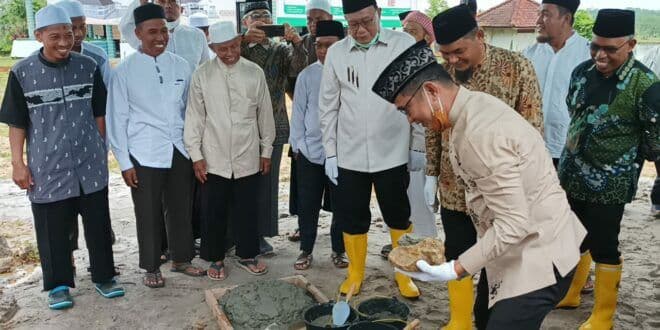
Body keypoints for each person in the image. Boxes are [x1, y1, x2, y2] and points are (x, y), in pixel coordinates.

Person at [372, 41, 586, 330]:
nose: (412, 120)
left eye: (406, 110)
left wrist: (455, 268)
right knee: (484, 317)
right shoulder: (474, 105)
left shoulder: (479, 135)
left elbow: (513, 224)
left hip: (539, 255)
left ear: (432, 92)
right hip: (521, 243)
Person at [424, 5, 544, 328]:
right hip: (454, 190)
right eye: (445, 53)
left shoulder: (518, 68)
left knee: (500, 264)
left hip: (499, 197)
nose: (452, 60)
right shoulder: (440, 74)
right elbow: (433, 125)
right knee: (459, 255)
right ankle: (459, 321)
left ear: (480, 36)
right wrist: (431, 174)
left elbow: (532, 131)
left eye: (459, 51)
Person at [0, 5, 124, 310]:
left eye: (68, 34)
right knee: (52, 226)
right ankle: (58, 285)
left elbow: (99, 113)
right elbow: (17, 123)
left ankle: (104, 277)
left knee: (97, 221)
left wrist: (100, 147)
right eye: (55, 36)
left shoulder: (87, 66)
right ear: (39, 36)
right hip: (47, 166)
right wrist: (18, 163)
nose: (64, 41)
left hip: (88, 163)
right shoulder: (22, 73)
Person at [557, 9, 659, 329]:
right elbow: (572, 111)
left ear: (631, 44)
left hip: (611, 182)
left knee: (604, 243)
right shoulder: (581, 72)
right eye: (595, 46)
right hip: (571, 174)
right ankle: (572, 293)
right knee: (572, 237)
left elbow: (655, 141)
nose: (600, 55)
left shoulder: (646, 84)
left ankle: (603, 315)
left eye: (610, 49)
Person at [319, 0, 424, 298]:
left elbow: (418, 95)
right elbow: (328, 106)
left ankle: (405, 274)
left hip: (392, 150)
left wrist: (417, 146)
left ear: (378, 14)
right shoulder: (338, 53)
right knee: (352, 217)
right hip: (350, 153)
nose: (361, 30)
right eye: (353, 24)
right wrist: (331, 152)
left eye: (367, 21)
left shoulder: (402, 44)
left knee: (398, 214)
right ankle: (355, 274)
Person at [108, 3, 206, 288]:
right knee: (148, 211)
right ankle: (151, 266)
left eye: (164, 31)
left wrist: (195, 151)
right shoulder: (124, 71)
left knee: (180, 207)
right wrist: (125, 163)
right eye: (152, 31)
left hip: (178, 148)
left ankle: (182, 259)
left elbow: (190, 110)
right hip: (144, 151)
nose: (160, 37)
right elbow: (117, 119)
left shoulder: (180, 65)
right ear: (138, 33)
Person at [184, 21, 275, 279]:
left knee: (247, 207)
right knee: (213, 209)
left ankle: (248, 254)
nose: (230, 53)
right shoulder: (202, 74)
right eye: (223, 49)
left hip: (247, 152)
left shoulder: (254, 72)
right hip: (213, 156)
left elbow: (264, 114)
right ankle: (215, 258)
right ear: (212, 47)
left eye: (234, 46)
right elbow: (195, 118)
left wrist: (266, 150)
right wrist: (196, 156)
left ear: (240, 42)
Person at [240, 0, 307, 255]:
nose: (263, 22)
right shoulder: (239, 48)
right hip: (241, 127)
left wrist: (297, 43)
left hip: (276, 125)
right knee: (241, 181)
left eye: (267, 18)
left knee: (267, 185)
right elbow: (223, 59)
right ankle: (239, 233)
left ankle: (260, 235)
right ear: (246, 22)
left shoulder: (280, 50)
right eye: (256, 18)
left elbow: (300, 68)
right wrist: (244, 41)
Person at [55, 0, 117, 270]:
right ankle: (66, 261)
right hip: (56, 151)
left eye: (81, 27)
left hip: (91, 144)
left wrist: (104, 145)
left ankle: (101, 264)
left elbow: (107, 103)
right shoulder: (38, 62)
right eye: (72, 28)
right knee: (62, 210)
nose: (77, 33)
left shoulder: (96, 57)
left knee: (96, 207)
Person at [378, 9, 438, 260]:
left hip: (421, 149)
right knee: (405, 203)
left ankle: (424, 250)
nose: (405, 36)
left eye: (412, 31)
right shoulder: (403, 63)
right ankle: (406, 244)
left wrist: (418, 150)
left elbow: (427, 115)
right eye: (403, 30)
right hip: (399, 148)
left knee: (420, 203)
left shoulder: (428, 66)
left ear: (426, 37)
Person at [289, 20, 348, 271]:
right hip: (310, 153)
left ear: (342, 45)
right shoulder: (307, 75)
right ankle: (306, 250)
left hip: (344, 154)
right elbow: (298, 113)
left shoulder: (350, 72)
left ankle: (339, 250)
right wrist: (299, 147)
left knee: (342, 205)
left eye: (329, 45)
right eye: (319, 45)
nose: (323, 51)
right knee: (307, 204)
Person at [287, 0, 333, 243]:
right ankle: (305, 235)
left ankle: (339, 243)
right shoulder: (303, 43)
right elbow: (293, 76)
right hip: (307, 133)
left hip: (339, 142)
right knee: (305, 193)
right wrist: (298, 142)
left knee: (339, 196)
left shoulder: (343, 42)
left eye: (318, 19)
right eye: (309, 20)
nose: (313, 24)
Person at [523, 0, 590, 167]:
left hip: (569, 153)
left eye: (545, 15)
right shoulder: (527, 55)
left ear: (566, 19)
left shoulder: (588, 56)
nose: (537, 21)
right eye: (538, 14)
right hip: (528, 149)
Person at [119, 0, 209, 74]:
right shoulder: (145, 35)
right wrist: (140, 2)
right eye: (162, 1)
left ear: (181, 9)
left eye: (173, 1)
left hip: (190, 94)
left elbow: (205, 70)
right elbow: (125, 27)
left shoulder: (197, 35)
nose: (167, 5)